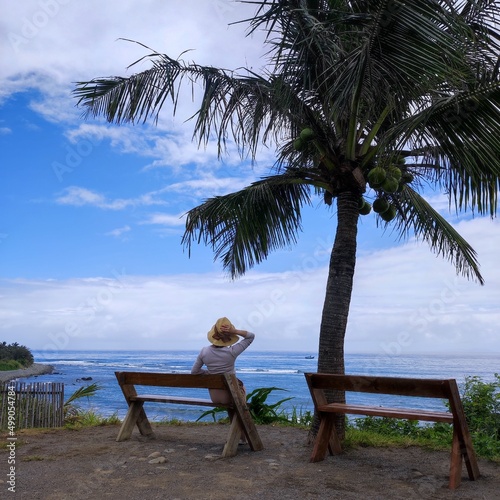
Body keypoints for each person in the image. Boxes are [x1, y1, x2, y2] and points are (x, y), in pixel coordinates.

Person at [191, 317, 255, 406]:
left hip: (214, 397)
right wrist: (234, 331)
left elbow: (194, 372)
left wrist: (210, 372)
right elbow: (250, 337)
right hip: (231, 396)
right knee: (241, 388)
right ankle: (236, 420)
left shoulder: (204, 351)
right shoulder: (232, 352)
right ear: (229, 336)